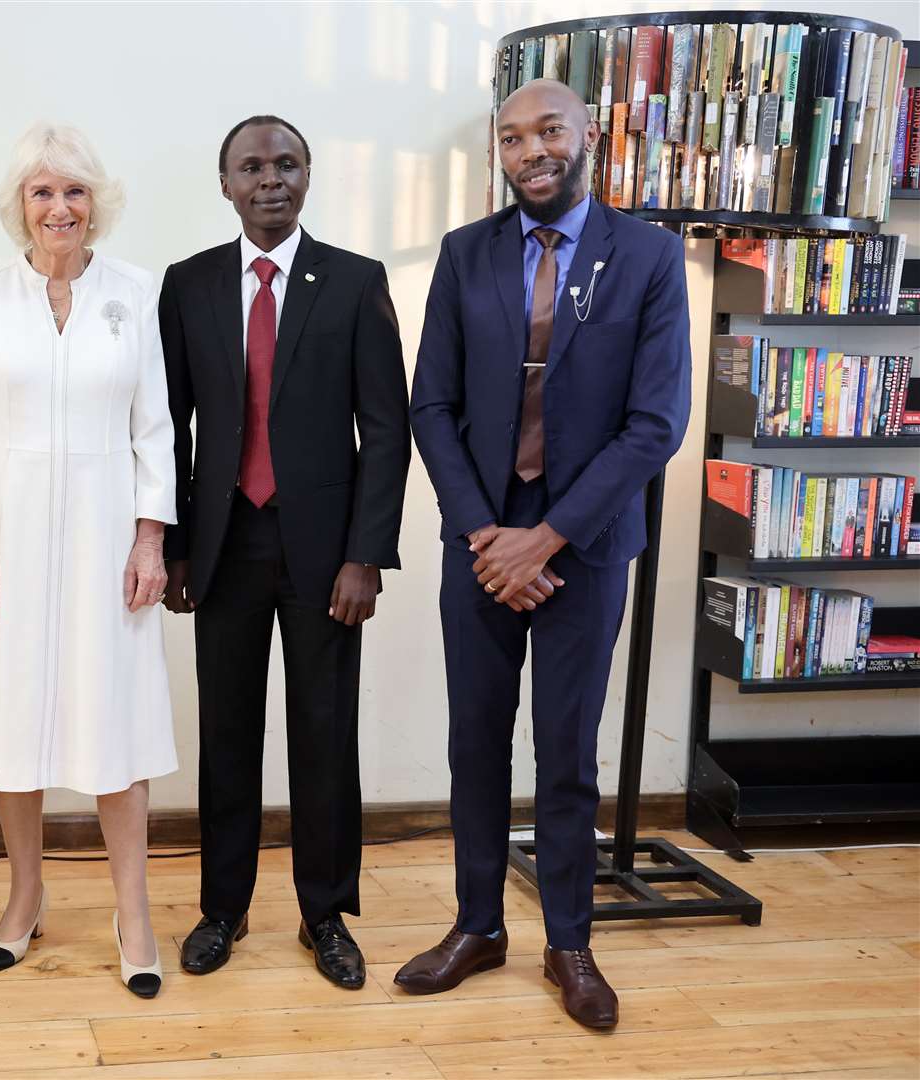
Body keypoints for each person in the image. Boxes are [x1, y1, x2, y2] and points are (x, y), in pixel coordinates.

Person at [397, 78, 691, 1029]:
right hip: (481, 540)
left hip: (586, 543)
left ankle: (571, 941)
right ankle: (477, 926)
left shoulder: (645, 254)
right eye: (514, 137)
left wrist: (549, 536)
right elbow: (430, 405)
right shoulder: (463, 253)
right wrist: (489, 534)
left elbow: (655, 424)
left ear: (585, 137)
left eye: (548, 131)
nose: (532, 150)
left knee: (564, 752)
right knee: (473, 742)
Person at [159, 115, 410, 990]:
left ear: (309, 176)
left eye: (288, 163)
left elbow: (385, 430)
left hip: (324, 552)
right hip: (224, 544)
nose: (272, 179)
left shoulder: (352, 280)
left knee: (322, 731)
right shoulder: (186, 285)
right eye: (251, 166)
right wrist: (179, 549)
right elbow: (169, 431)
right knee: (226, 732)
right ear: (224, 183)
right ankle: (220, 908)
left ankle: (324, 913)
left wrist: (366, 554)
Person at [0, 123, 176, 999]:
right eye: (42, 192)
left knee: (116, 723)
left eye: (73, 191)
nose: (59, 207)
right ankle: (24, 891)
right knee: (16, 720)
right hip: (8, 535)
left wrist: (150, 537)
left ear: (95, 203)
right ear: (19, 207)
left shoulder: (136, 291)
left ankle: (133, 909)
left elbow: (155, 429)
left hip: (110, 536)